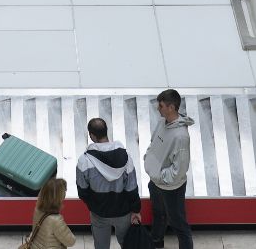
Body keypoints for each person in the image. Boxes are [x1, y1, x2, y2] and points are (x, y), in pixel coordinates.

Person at [76, 117, 142, 249]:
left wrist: (93, 205)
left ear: (92, 135)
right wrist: (136, 210)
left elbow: (82, 191)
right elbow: (132, 187)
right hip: (123, 212)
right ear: (106, 131)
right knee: (128, 244)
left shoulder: (85, 160)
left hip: (99, 213)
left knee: (101, 246)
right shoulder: (126, 157)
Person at [145, 88, 194, 249]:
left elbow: (179, 170)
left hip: (171, 188)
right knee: (158, 215)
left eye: (161, 106)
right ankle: (156, 243)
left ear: (171, 107)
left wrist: (158, 175)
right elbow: (154, 144)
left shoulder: (180, 137)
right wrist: (149, 160)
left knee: (178, 223)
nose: (158, 109)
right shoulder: (162, 122)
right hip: (156, 183)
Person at [23, 177, 77, 249]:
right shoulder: (56, 220)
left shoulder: (37, 209)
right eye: (63, 194)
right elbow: (71, 241)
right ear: (58, 198)